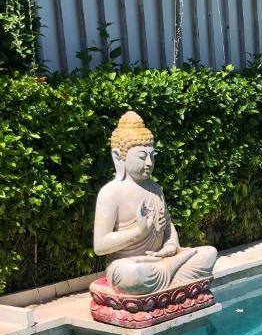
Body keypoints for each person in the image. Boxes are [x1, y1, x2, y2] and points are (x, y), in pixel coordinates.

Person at [93, 111, 217, 294]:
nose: (149, 162)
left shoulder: (155, 188)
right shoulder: (110, 193)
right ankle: (173, 282)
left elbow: (168, 226)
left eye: (152, 156)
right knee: (133, 275)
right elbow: (100, 246)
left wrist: (170, 246)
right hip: (129, 264)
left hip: (160, 259)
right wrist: (138, 231)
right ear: (119, 156)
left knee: (208, 253)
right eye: (142, 157)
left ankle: (169, 278)